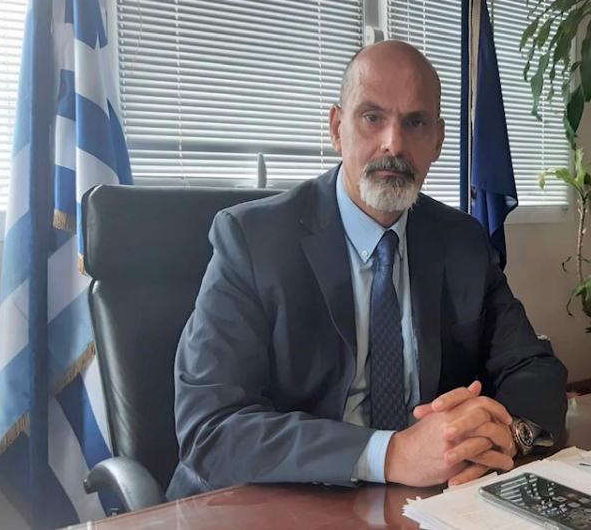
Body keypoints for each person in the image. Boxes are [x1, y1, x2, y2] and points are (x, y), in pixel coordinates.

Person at [166, 40, 568, 499]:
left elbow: (532, 365)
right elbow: (211, 428)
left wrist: (509, 433)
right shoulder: (251, 241)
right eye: (372, 117)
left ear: (438, 141)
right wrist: (392, 453)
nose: (393, 143)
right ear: (337, 129)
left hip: (426, 500)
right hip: (282, 500)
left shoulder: (462, 240)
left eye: (415, 122)